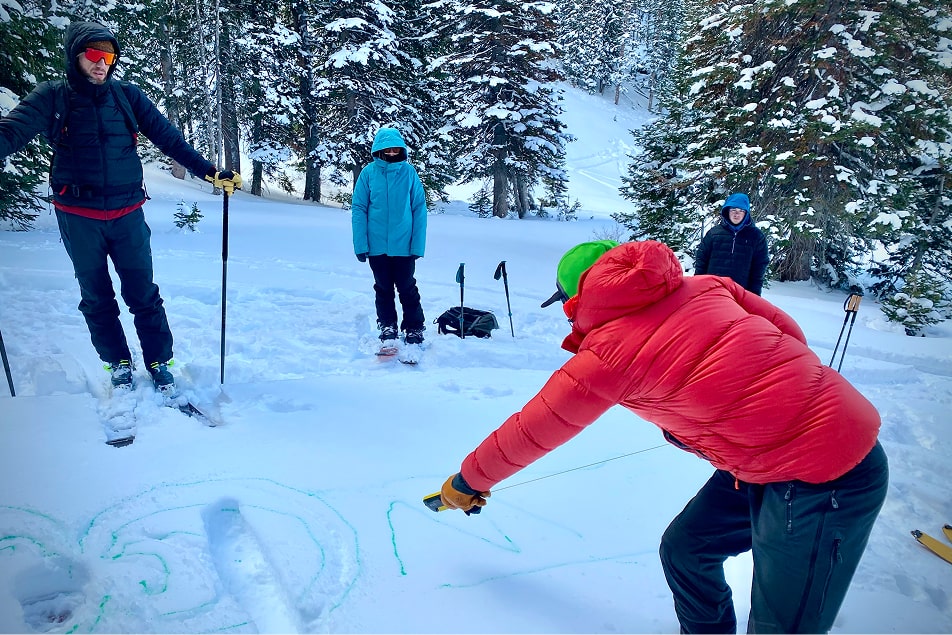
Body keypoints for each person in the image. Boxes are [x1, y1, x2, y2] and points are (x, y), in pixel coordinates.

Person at [438, 239, 888, 634]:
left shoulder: (606, 356)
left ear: (575, 298)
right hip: (759, 463)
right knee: (686, 550)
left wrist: (468, 481)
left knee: (781, 628)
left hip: (830, 470)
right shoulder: (707, 285)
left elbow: (531, 431)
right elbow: (788, 332)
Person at [0, 21, 241, 393]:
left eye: (109, 56)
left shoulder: (127, 96)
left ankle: (160, 360)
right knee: (96, 294)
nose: (102, 63)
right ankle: (118, 362)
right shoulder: (53, 97)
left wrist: (211, 172)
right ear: (76, 56)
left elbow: (169, 139)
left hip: (127, 213)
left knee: (143, 291)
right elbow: (11, 132)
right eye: (95, 55)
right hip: (79, 216)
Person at [351, 127, 427, 358]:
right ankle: (388, 326)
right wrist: (360, 244)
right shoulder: (368, 174)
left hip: (404, 245)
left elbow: (419, 209)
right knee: (383, 289)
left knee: (407, 287)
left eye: (396, 149)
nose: (392, 153)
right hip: (376, 246)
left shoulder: (409, 173)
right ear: (378, 150)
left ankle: (414, 327)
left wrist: (417, 245)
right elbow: (359, 208)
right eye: (388, 149)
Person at [695, 192, 769, 295]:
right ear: (727, 211)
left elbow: (759, 269)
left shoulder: (756, 237)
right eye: (733, 210)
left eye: (741, 211)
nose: (736, 214)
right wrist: (698, 287)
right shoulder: (714, 234)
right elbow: (701, 261)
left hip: (740, 293)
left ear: (746, 213)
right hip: (712, 290)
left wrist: (754, 295)